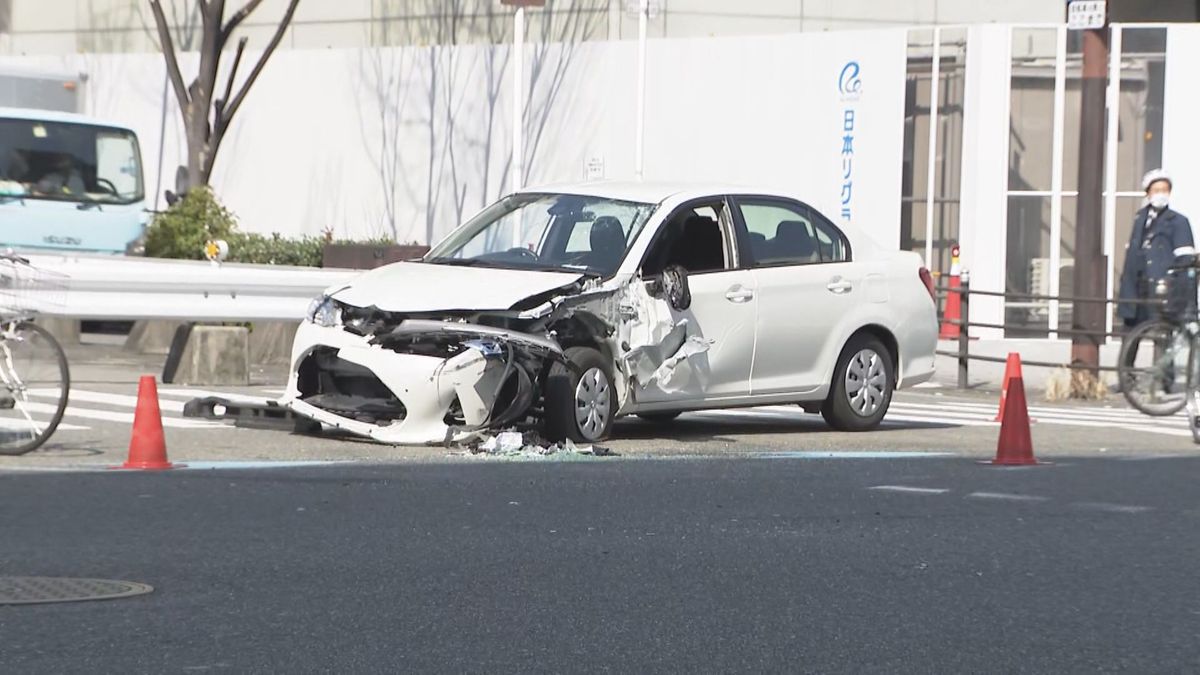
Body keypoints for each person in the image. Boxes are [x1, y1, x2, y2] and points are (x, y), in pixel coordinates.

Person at [1117, 169, 1194, 328]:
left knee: (1162, 336)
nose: (1161, 194)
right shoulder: (1140, 218)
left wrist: (1178, 289)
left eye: (1165, 190)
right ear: (1148, 193)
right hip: (1136, 289)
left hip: (1163, 290)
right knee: (1130, 335)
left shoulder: (1178, 221)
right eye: (1157, 190)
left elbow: (1185, 260)